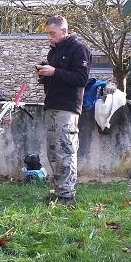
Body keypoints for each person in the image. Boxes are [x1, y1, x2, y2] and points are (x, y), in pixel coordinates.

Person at [35, 15, 91, 205]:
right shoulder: (54, 52)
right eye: (47, 34)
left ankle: (67, 196)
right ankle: (59, 191)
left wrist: (55, 72)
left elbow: (81, 79)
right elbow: (58, 77)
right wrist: (44, 74)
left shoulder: (79, 50)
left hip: (67, 108)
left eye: (53, 33)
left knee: (65, 150)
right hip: (52, 105)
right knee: (53, 151)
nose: (49, 38)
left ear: (64, 31)